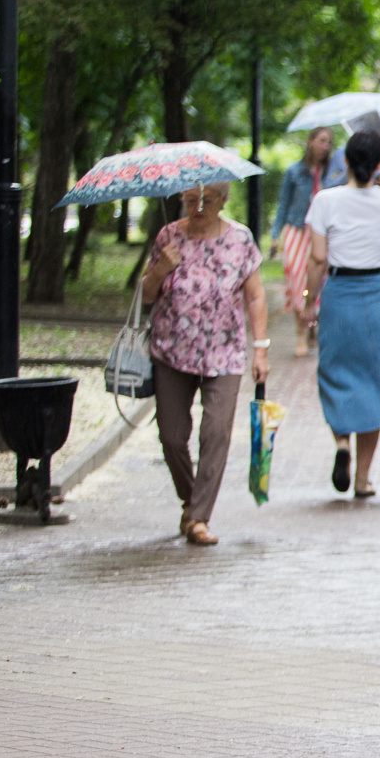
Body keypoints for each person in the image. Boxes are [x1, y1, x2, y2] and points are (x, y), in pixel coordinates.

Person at [141, 182, 269, 545]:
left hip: (224, 352)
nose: (199, 206)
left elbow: (256, 297)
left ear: (223, 201)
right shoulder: (168, 235)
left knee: (216, 433)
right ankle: (190, 496)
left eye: (208, 201)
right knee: (171, 436)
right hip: (172, 350)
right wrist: (161, 268)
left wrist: (260, 349)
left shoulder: (240, 239)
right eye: (192, 199)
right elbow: (147, 294)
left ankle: (198, 517)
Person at [304, 130, 380, 498]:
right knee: (375, 383)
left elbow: (318, 258)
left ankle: (341, 444)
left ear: (345, 161)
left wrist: (307, 302)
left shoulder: (325, 200)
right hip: (377, 296)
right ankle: (363, 479)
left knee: (336, 375)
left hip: (339, 294)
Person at [269, 126, 333, 355]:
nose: (325, 146)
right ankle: (301, 334)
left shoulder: (332, 173)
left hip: (321, 231)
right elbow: (283, 204)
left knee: (319, 281)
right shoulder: (294, 171)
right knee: (299, 281)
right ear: (310, 141)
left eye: (329, 142)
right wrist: (275, 235)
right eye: (321, 140)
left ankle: (313, 324)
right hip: (297, 230)